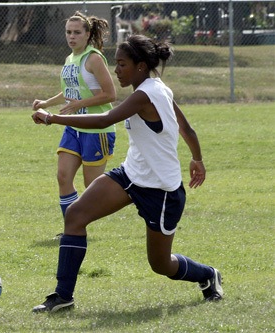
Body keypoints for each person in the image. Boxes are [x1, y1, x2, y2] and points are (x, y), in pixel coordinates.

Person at [31, 34, 223, 313]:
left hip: (162, 190)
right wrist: (197, 158)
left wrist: (53, 117)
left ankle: (207, 274)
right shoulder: (157, 88)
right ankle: (63, 297)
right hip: (130, 175)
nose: (116, 70)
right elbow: (186, 128)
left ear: (141, 66)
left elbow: (105, 119)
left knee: (161, 264)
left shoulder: (146, 94)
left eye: (122, 64)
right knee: (75, 215)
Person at [32, 11, 116, 238]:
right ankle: (72, 229)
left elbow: (110, 95)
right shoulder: (70, 59)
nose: (71, 36)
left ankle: (139, 198)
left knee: (94, 190)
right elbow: (71, 91)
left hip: (96, 129)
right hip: (73, 127)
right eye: (69, 32)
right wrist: (47, 102)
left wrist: (80, 103)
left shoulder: (94, 58)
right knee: (63, 176)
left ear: (88, 34)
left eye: (77, 32)